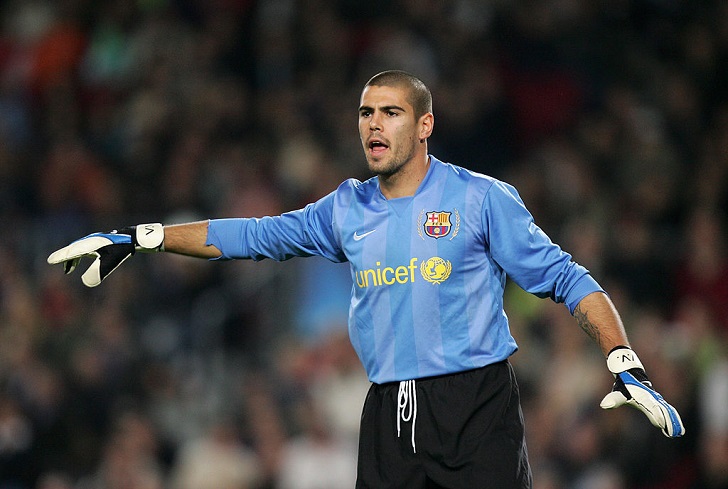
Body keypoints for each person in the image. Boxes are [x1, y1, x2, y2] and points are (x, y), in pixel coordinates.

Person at [48, 70, 684, 488]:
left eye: (391, 112)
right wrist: (144, 236)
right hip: (391, 414)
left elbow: (569, 279)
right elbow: (252, 236)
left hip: (477, 407)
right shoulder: (345, 209)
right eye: (365, 113)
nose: (374, 124)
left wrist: (624, 362)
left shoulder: (481, 198)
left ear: (425, 125)